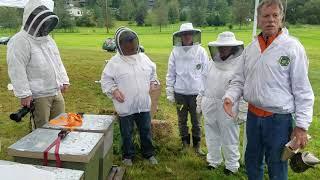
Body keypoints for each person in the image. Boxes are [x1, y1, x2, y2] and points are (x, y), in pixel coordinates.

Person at [223, 0, 314, 179]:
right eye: (266, 16)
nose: (270, 20)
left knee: (277, 163)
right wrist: (230, 97)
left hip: (279, 119)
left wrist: (302, 126)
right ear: (258, 19)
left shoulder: (292, 48)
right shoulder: (251, 49)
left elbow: (302, 90)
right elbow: (239, 79)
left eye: (275, 16)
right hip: (253, 116)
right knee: (252, 160)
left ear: (281, 18)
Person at [101, 27, 159, 166]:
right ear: (120, 45)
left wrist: (153, 82)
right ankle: (128, 156)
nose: (130, 47)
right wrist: (114, 91)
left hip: (143, 104)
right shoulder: (114, 62)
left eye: (132, 44)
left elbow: (153, 73)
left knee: (146, 130)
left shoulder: (144, 58)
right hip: (125, 105)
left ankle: (149, 154)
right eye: (126, 45)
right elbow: (106, 80)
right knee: (127, 133)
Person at [7, 0, 69, 129]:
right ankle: (41, 149)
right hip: (38, 95)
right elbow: (16, 68)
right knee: (42, 131)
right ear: (30, 19)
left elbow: (57, 61)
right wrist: (24, 94)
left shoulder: (48, 40)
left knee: (60, 125)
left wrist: (64, 79)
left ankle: (56, 149)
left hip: (55, 91)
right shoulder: (19, 40)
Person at [197, 32, 244, 175]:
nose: (223, 49)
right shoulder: (211, 63)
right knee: (211, 135)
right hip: (209, 104)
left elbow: (241, 87)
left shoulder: (239, 65)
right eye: (221, 47)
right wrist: (199, 102)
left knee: (229, 136)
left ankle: (231, 165)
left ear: (233, 48)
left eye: (227, 47)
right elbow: (202, 84)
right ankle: (214, 161)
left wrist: (242, 110)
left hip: (228, 106)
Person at [166, 23, 209, 155]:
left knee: (196, 121)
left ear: (193, 35)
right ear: (180, 36)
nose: (187, 36)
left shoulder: (201, 51)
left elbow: (206, 72)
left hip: (196, 93)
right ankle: (185, 144)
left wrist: (204, 92)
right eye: (184, 34)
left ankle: (197, 146)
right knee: (182, 120)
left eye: (189, 33)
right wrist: (170, 91)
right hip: (180, 94)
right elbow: (171, 73)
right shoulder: (175, 52)